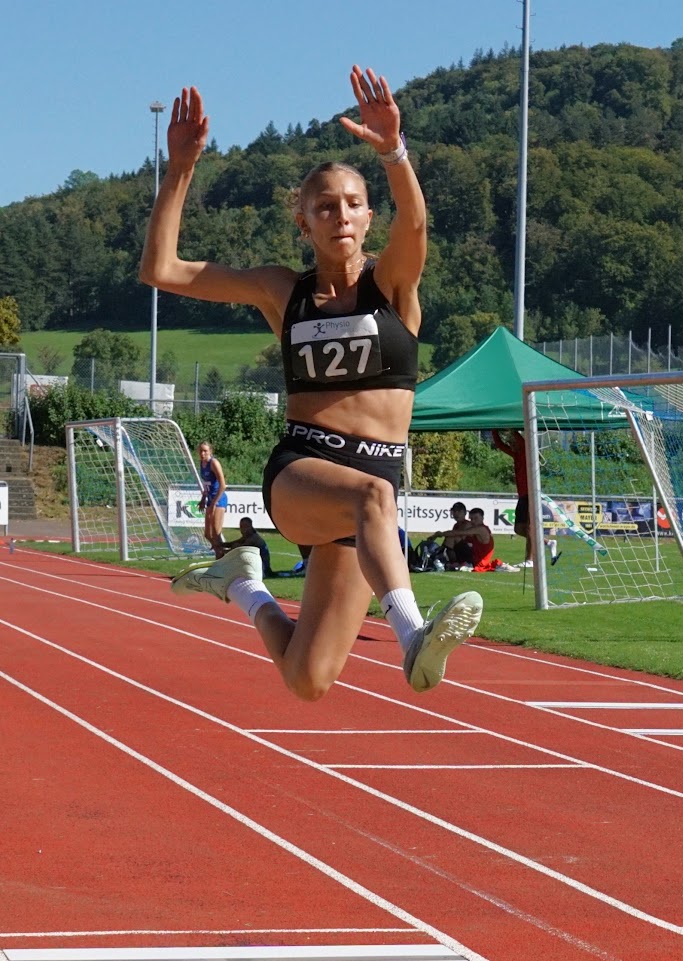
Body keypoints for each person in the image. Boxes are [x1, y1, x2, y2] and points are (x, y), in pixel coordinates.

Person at [140, 67, 483, 700]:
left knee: (308, 678)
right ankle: (413, 635)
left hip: (372, 485)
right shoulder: (282, 291)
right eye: (325, 206)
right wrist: (181, 167)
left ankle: (241, 582)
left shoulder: (393, 285)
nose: (340, 216)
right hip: (304, 469)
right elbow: (161, 268)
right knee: (373, 496)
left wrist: (393, 151)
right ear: (304, 223)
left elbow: (416, 223)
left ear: (370, 217)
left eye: (352, 204)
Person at [491, 429, 559, 568]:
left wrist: (512, 430)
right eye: (510, 443)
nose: (511, 444)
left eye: (513, 442)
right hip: (522, 496)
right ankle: (548, 542)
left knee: (529, 528)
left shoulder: (526, 452)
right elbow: (499, 445)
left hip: (531, 494)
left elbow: (522, 441)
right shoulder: (515, 454)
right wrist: (494, 430)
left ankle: (530, 560)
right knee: (518, 529)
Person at [197, 441, 228, 557]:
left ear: (210, 451)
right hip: (210, 499)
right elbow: (206, 483)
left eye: (205, 451)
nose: (202, 453)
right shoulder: (202, 463)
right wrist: (203, 499)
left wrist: (214, 503)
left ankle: (221, 557)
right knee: (207, 534)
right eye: (201, 451)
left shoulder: (214, 463)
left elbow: (223, 485)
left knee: (216, 533)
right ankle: (221, 552)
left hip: (218, 499)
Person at [429, 502, 473, 569]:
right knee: (450, 538)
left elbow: (457, 535)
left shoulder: (467, 524)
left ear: (465, 513)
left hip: (470, 553)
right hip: (460, 552)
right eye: (454, 511)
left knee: (452, 537)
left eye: (459, 511)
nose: (456, 514)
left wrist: (440, 534)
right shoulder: (456, 525)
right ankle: (447, 560)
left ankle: (438, 557)